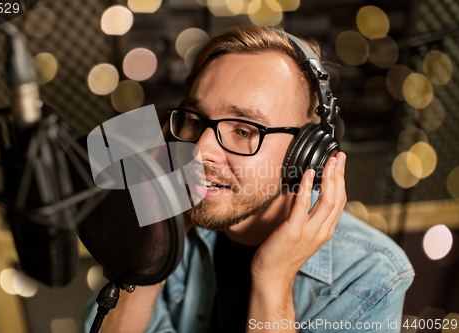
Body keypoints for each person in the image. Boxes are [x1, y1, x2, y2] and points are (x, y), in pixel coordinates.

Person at [83, 24, 414, 333]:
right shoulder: (164, 223)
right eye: (195, 120)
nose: (199, 150)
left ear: (305, 152)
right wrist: (155, 241)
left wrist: (273, 279)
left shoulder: (370, 273)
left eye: (243, 130)